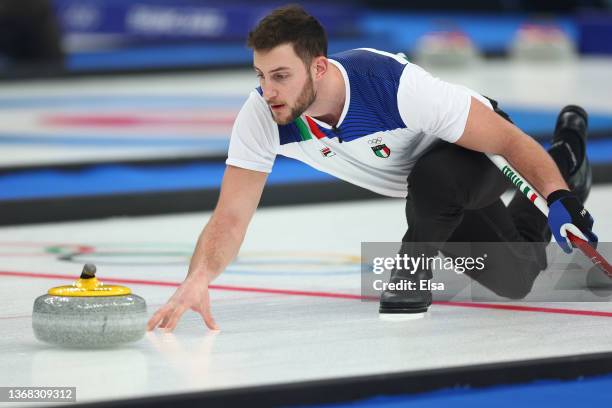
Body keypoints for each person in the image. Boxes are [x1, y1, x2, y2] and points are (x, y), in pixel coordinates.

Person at [147, 5, 597, 331]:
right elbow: (230, 216)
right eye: (260, 76)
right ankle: (567, 160)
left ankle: (409, 277)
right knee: (514, 278)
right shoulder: (264, 115)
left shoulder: (390, 85)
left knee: (433, 178)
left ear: (318, 67)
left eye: (281, 75)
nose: (268, 90)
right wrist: (199, 277)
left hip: (479, 158)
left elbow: (506, 139)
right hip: (431, 200)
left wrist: (558, 199)